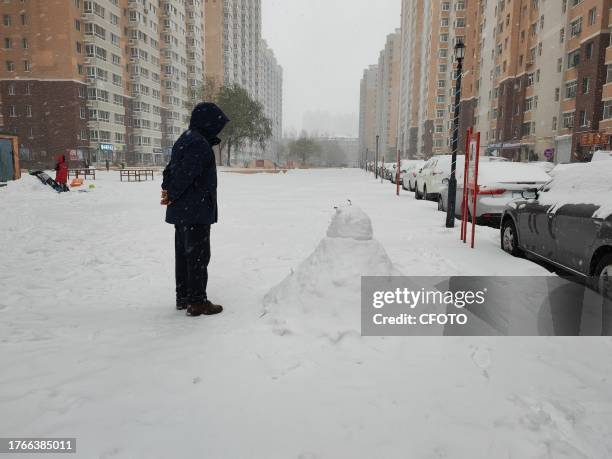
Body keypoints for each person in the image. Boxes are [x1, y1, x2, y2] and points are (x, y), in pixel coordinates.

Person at [161, 102, 229, 317]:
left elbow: (170, 171)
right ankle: (197, 302)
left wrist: (168, 191)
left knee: (184, 256)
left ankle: (183, 297)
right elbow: (184, 175)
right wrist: (171, 192)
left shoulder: (186, 138)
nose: (218, 129)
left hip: (184, 210)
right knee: (198, 257)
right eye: (217, 125)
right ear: (207, 122)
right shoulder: (198, 143)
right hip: (195, 211)